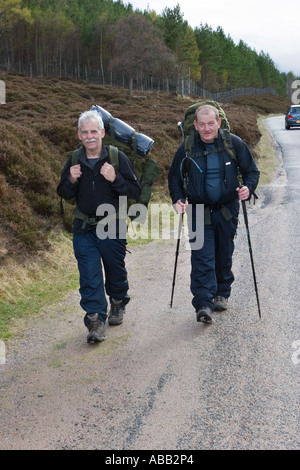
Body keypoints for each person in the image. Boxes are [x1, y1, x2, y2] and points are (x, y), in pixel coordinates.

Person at [168, 104, 260, 324]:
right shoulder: (187, 148)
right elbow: (174, 178)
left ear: (218, 123)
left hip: (227, 211)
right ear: (195, 125)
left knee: (224, 254)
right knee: (202, 258)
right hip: (198, 211)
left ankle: (221, 293)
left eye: (211, 123)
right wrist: (178, 198)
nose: (207, 128)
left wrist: (248, 187)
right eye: (202, 124)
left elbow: (252, 171)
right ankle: (203, 303)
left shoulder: (233, 143)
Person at [57, 110, 141, 343]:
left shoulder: (116, 157)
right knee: (89, 275)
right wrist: (71, 180)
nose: (89, 136)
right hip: (83, 227)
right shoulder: (74, 159)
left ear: (102, 132)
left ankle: (117, 302)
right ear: (79, 134)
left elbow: (134, 191)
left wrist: (116, 178)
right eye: (84, 132)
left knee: (115, 270)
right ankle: (95, 322)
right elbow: (63, 193)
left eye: (94, 131)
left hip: (111, 226)